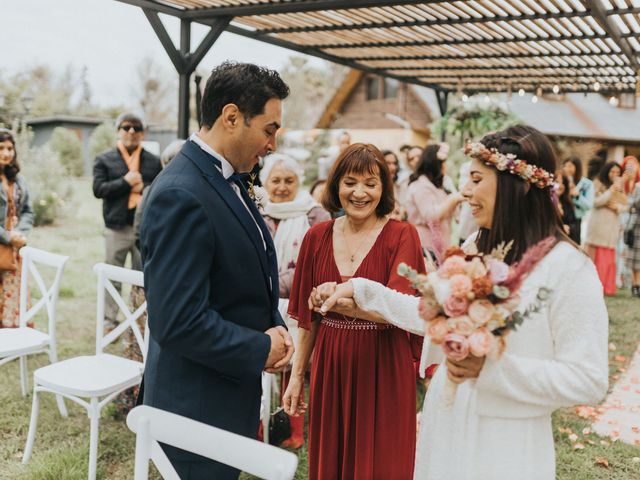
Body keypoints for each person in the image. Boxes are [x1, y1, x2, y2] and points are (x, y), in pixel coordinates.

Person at [313, 125, 609, 480]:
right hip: (448, 421)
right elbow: (428, 312)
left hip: (508, 441)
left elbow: (589, 379)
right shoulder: (473, 248)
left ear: (521, 184)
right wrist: (362, 292)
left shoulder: (568, 268)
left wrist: (492, 370)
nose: (464, 191)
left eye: (475, 179)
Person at [139, 62, 294, 479]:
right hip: (197, 408)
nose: (273, 145)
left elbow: (245, 274)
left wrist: (274, 328)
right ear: (231, 117)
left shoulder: (229, 177)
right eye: (269, 129)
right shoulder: (181, 193)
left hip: (226, 393)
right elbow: (177, 321)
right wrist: (260, 349)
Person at [283, 143, 425, 479]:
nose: (359, 193)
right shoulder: (316, 237)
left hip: (384, 364)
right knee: (332, 460)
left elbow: (401, 309)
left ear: (383, 189)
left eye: (370, 184)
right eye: (350, 182)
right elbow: (307, 320)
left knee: (383, 462)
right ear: (335, 186)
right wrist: (297, 377)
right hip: (331, 364)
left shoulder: (402, 235)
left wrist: (347, 306)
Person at [260, 153, 330, 448]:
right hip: (260, 301)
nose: (282, 187)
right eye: (275, 180)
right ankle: (260, 424)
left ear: (299, 182)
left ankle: (295, 430)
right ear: (265, 182)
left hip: (298, 302)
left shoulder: (314, 214)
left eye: (289, 181)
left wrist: (277, 287)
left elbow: (315, 265)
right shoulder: (256, 209)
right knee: (260, 363)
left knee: (295, 368)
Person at [113, 139, 186, 417]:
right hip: (153, 279)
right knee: (145, 343)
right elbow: (140, 237)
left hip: (156, 277)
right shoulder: (157, 191)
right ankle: (139, 402)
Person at [92, 113, 162, 329]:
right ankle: (109, 320)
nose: (131, 131)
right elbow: (98, 190)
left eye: (136, 127)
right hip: (116, 227)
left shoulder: (153, 160)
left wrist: (144, 187)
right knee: (112, 275)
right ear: (118, 131)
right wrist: (125, 182)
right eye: (126, 127)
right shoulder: (104, 159)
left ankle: (139, 320)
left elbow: (160, 188)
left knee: (142, 276)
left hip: (144, 227)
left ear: (143, 133)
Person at [406, 144, 464, 261]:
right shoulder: (421, 185)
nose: (444, 166)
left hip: (441, 241)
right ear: (434, 164)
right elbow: (430, 215)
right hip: (425, 244)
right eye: (442, 162)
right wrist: (453, 199)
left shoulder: (437, 184)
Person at [0, 129, 34, 328]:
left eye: (10, 148)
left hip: (16, 245)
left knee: (14, 288)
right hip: (4, 240)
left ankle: (13, 332)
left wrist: (21, 233)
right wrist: (7, 236)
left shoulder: (19, 180)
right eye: (2, 148)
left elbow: (29, 210)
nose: (6, 153)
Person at [585, 162, 627, 296]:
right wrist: (611, 191)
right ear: (606, 171)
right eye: (612, 172)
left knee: (608, 259)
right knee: (595, 259)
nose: (614, 175)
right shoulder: (598, 184)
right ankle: (592, 285)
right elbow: (596, 202)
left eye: (617, 173)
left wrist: (617, 207)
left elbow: (625, 204)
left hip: (611, 229)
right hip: (598, 228)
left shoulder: (620, 188)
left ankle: (607, 287)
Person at [562, 156, 594, 244]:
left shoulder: (586, 184)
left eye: (570, 166)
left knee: (572, 246)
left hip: (575, 220)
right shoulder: (560, 181)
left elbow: (589, 205)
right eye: (565, 166)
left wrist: (577, 196)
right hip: (560, 217)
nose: (567, 169)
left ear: (577, 167)